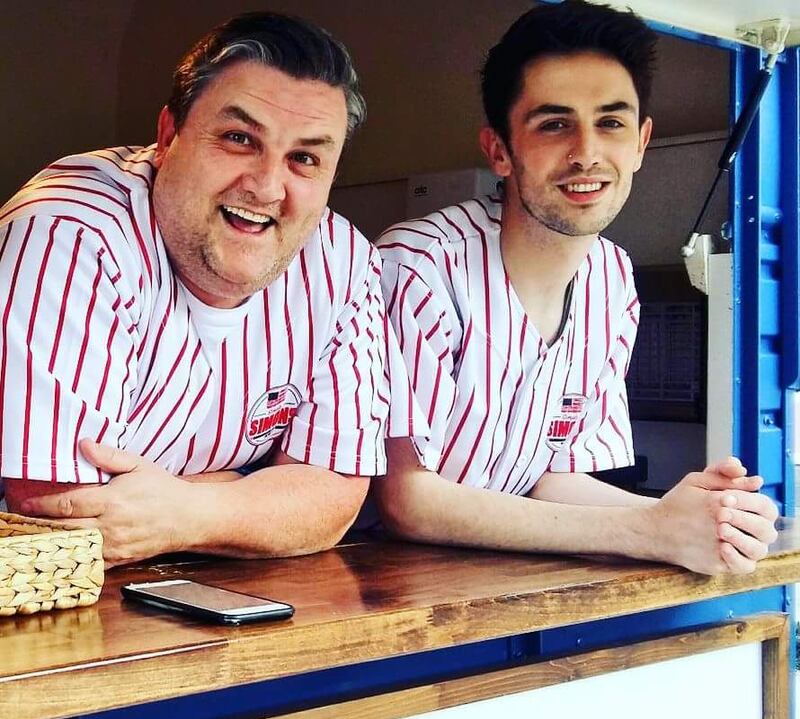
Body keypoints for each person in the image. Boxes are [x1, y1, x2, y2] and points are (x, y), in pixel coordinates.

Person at [374, 0, 778, 575]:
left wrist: (691, 516)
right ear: (498, 151)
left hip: (495, 585)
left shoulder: (612, 281)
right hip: (376, 597)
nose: (587, 152)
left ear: (641, 142)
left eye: (611, 123)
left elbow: (551, 478)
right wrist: (649, 529)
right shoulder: (422, 264)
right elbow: (408, 500)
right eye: (554, 124)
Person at [0, 12, 393, 567]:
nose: (266, 186)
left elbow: (335, 497)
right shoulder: (69, 230)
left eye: (304, 158)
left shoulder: (345, 261)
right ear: (168, 137)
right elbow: (57, 513)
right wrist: (249, 488)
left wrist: (185, 512)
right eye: (238, 139)